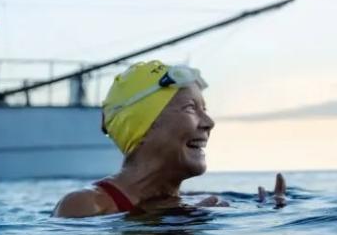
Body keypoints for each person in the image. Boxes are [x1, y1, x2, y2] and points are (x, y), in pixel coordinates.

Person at [53, 61, 287, 218]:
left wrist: (268, 211)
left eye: (204, 109)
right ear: (142, 126)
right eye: (190, 108)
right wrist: (180, 223)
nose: (209, 122)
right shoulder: (84, 206)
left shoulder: (193, 201)